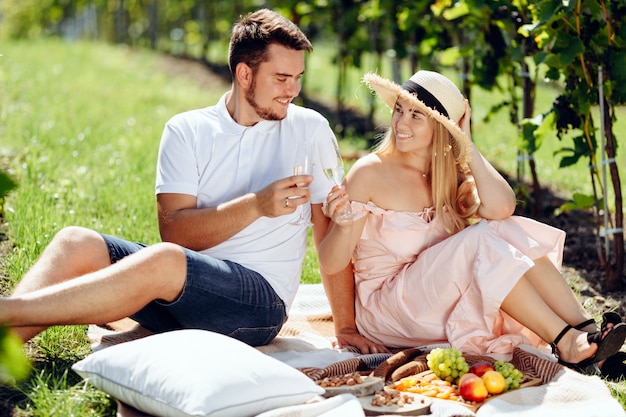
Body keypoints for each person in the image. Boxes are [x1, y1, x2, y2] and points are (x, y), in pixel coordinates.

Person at [0, 8, 339, 347]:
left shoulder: (309, 129)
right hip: (181, 289)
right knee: (76, 242)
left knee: (164, 260)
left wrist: (348, 326)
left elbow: (328, 233)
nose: (293, 89)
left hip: (258, 306)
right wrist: (257, 205)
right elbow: (176, 232)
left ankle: (10, 310)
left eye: (298, 77)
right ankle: (5, 350)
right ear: (244, 74)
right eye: (281, 78)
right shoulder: (187, 130)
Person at [317, 70, 626, 377]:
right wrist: (343, 225)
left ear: (440, 128)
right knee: (481, 237)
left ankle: (589, 333)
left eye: (415, 116)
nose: (401, 123)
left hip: (433, 302)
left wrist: (467, 143)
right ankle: (565, 341)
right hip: (387, 312)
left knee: (503, 226)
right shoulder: (369, 173)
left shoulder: (447, 176)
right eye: (399, 110)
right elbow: (332, 263)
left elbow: (503, 208)